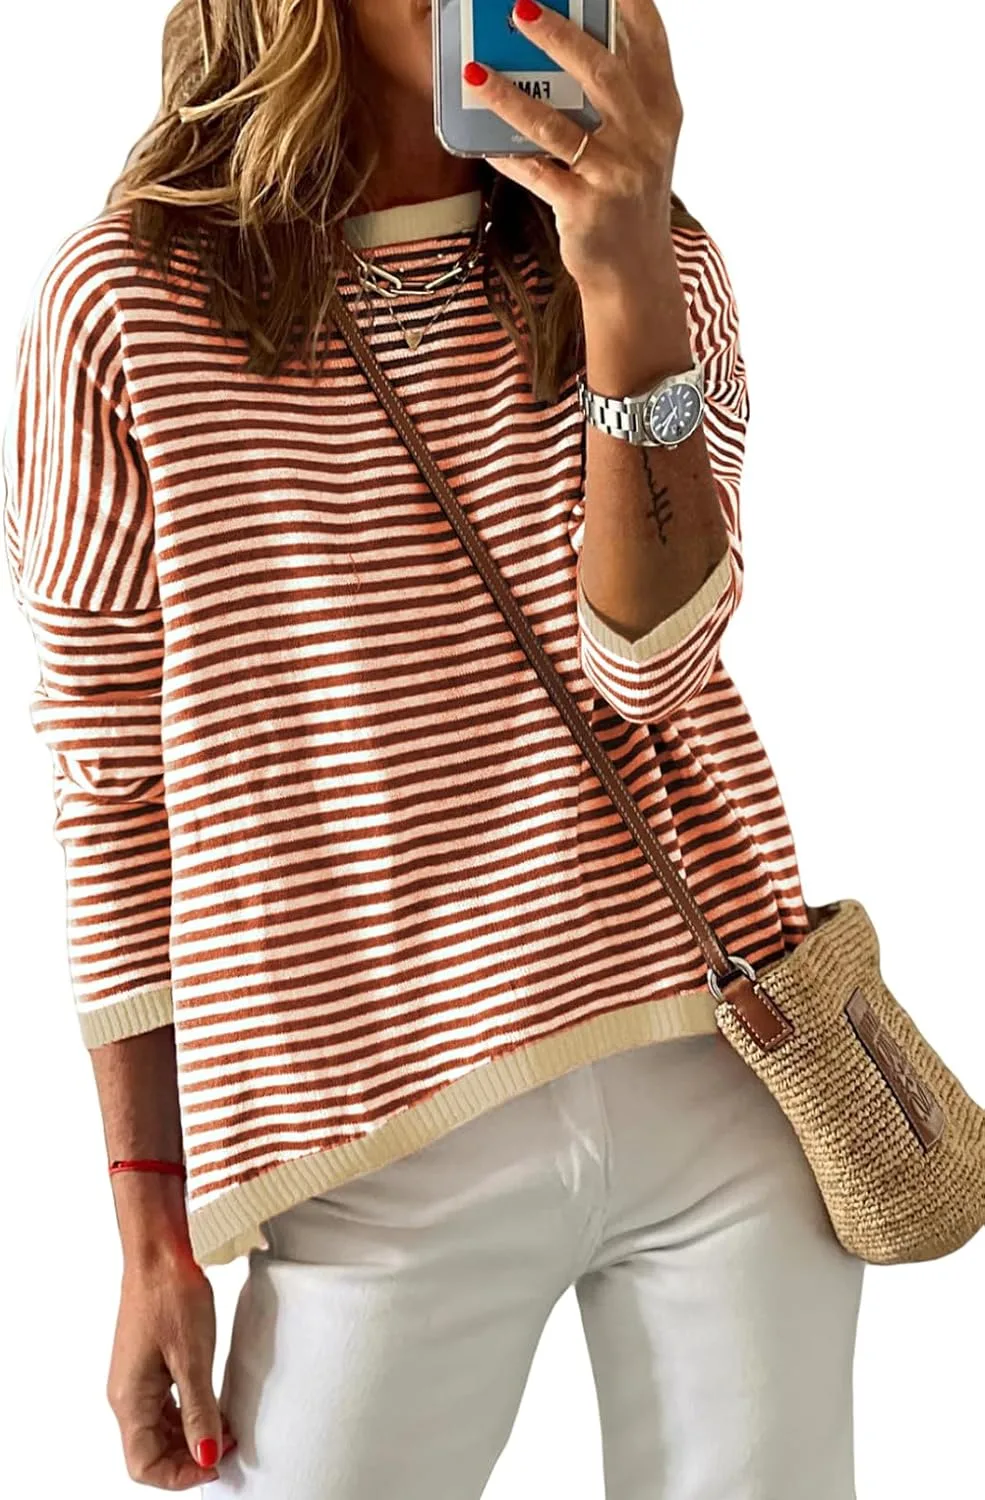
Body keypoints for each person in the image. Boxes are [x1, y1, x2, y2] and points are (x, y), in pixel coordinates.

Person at [1, 1, 865, 1495]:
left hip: (719, 1077)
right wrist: (149, 1235)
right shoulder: (128, 302)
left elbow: (651, 669)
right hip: (366, 1140)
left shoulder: (655, 260)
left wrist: (625, 272)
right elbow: (109, 785)